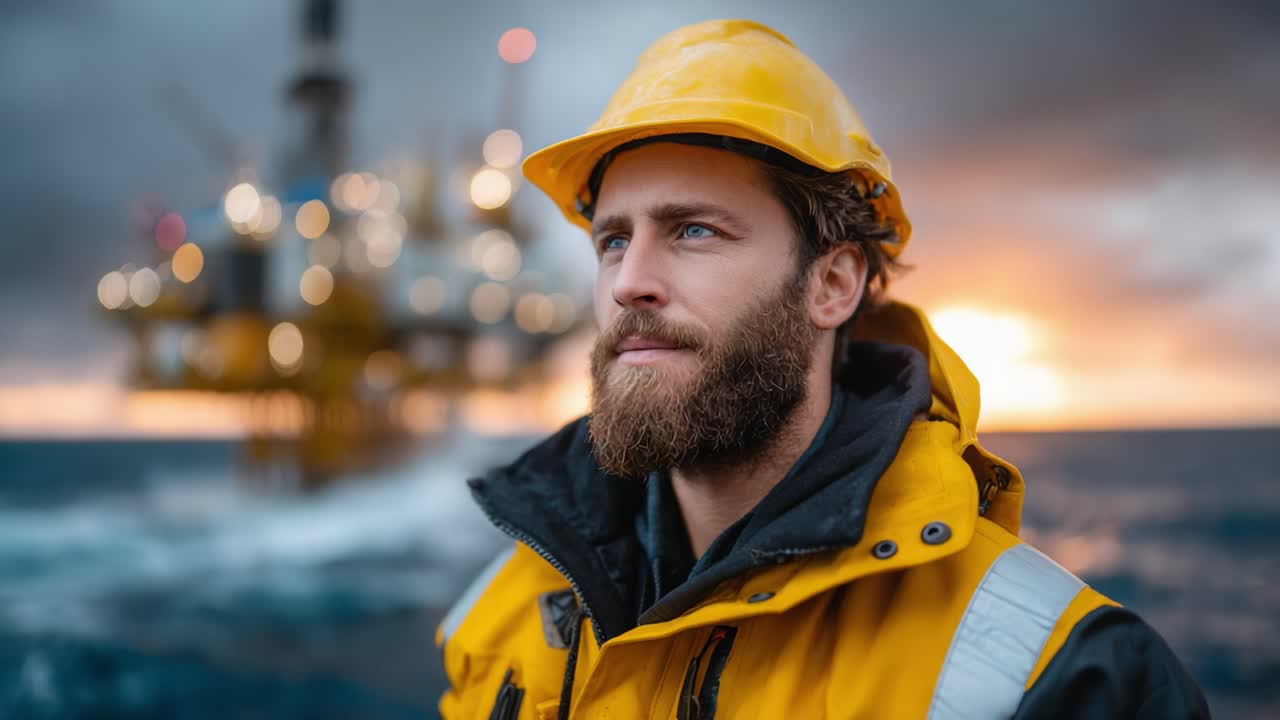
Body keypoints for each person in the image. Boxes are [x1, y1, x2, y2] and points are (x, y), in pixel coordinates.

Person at [436, 19, 1210, 719]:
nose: (629, 280)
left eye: (694, 230)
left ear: (832, 284)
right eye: (611, 240)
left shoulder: (1057, 676)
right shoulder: (502, 615)